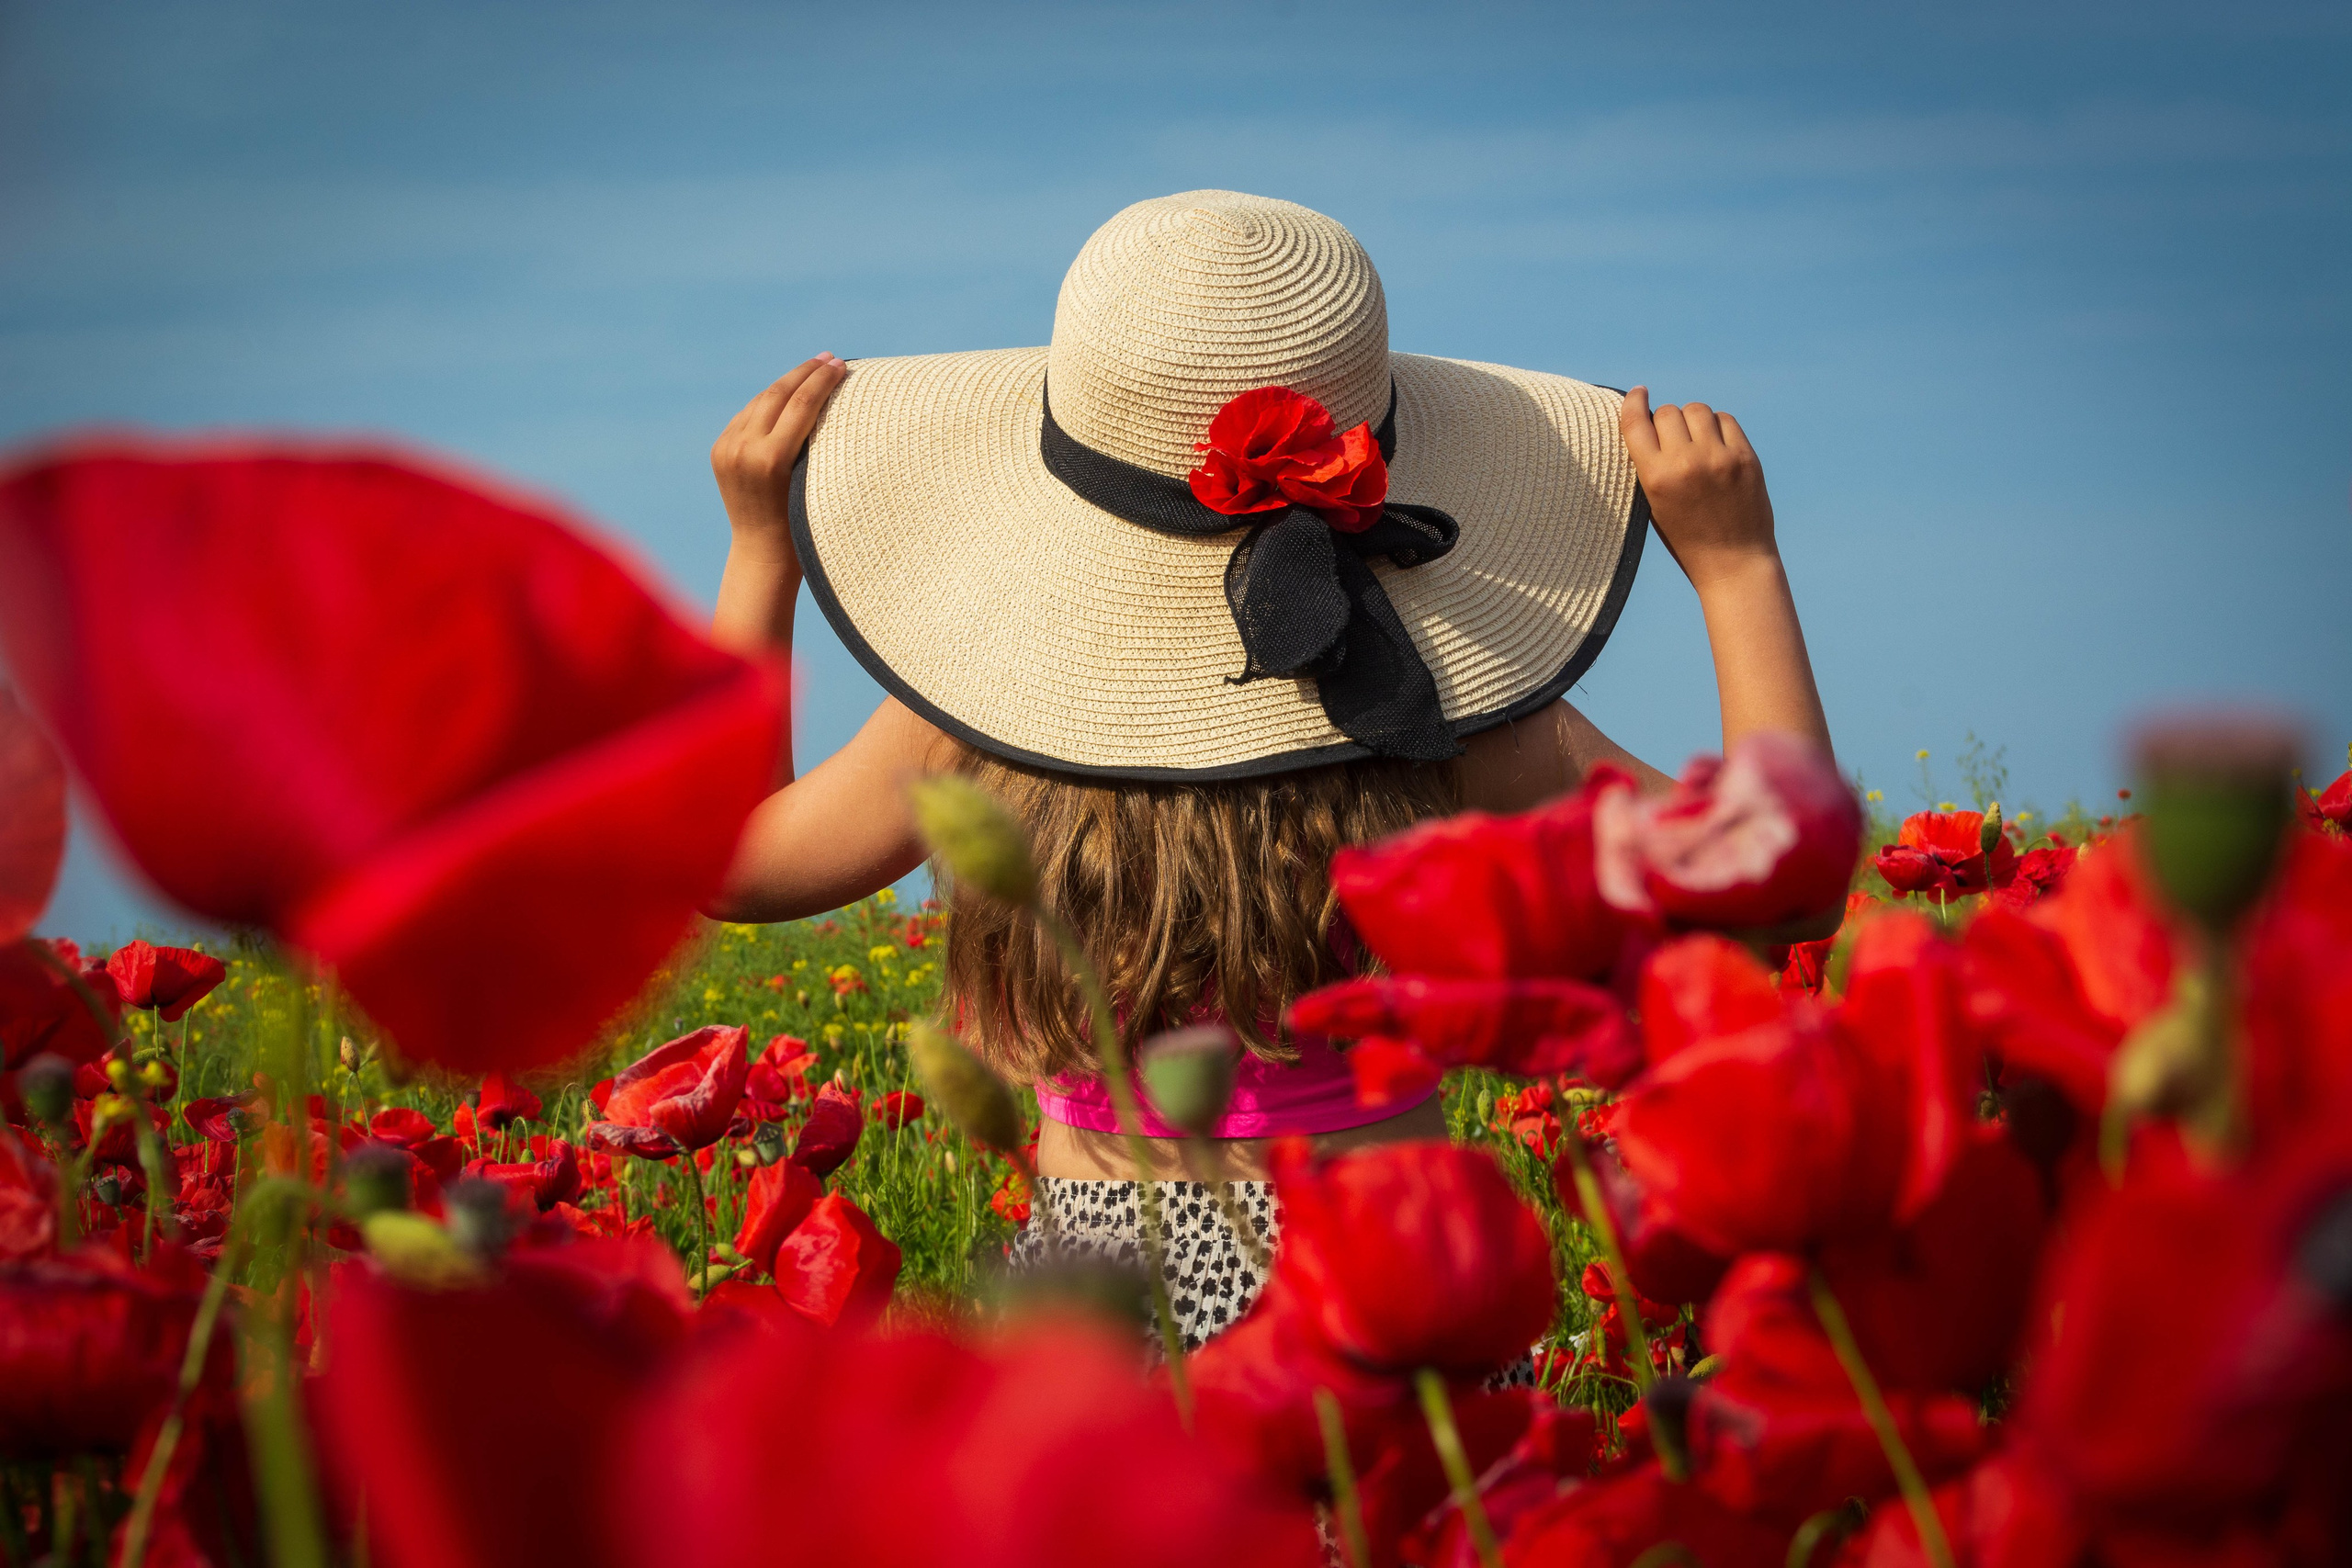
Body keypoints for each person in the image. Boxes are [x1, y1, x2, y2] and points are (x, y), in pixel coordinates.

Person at [702, 191, 1832, 1348]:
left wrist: (759, 555)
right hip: (1385, 1277)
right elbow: (1775, 887)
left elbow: (726, 865)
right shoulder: (1451, 711)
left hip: (1106, 1294)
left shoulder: (980, 717)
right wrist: (1739, 569)